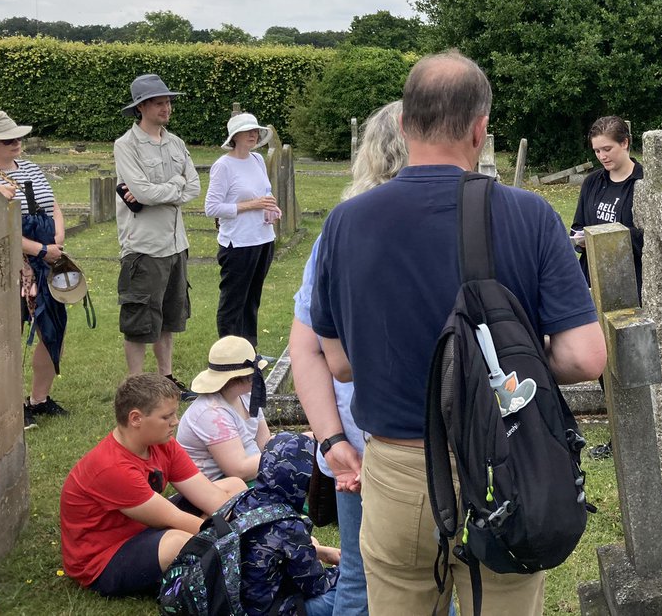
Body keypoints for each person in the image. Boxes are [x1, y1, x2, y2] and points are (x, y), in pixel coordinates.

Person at [311, 51, 606, 615]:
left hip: (398, 471)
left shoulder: (347, 222)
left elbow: (340, 363)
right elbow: (585, 356)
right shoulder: (530, 215)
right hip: (507, 465)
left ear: (403, 123)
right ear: (480, 128)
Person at [290, 99, 406, 616]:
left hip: (356, 443)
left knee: (365, 580)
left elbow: (307, 346)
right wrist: (336, 444)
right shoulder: (340, 234)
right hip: (390, 447)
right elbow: (309, 344)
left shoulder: (338, 231)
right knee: (427, 576)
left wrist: (333, 440)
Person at [59, 373, 247, 598]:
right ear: (136, 418)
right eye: (166, 416)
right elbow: (174, 519)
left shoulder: (162, 443)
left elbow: (209, 495)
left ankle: (222, 556)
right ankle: (235, 567)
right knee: (176, 541)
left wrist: (235, 525)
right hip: (104, 560)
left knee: (233, 486)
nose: (175, 421)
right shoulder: (112, 467)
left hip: (144, 529)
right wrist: (237, 540)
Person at [0, 109, 71, 429]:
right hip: (7, 270)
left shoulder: (30, 167)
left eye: (17, 136)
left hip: (47, 262)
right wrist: (41, 249)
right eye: (8, 138)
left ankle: (39, 400)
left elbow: (53, 206)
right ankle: (10, 404)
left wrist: (56, 239)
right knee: (7, 338)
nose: (17, 142)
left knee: (51, 332)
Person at [114, 73, 201, 400]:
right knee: (139, 317)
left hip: (176, 244)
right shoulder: (126, 145)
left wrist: (166, 190)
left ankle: (166, 378)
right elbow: (141, 192)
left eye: (168, 101)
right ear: (141, 107)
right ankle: (135, 386)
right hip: (144, 247)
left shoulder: (176, 142)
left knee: (169, 315)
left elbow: (193, 186)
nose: (167, 107)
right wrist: (174, 187)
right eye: (159, 102)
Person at [231, 432, 340, 616]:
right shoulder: (287, 525)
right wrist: (343, 572)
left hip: (241, 604)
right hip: (272, 610)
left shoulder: (244, 501)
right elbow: (316, 585)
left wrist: (321, 552)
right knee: (349, 591)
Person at [204, 112, 280, 347]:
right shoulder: (223, 166)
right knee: (233, 303)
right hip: (238, 244)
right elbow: (211, 208)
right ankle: (227, 357)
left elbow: (264, 192)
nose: (253, 134)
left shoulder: (257, 160)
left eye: (255, 130)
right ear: (234, 136)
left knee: (252, 300)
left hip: (264, 239)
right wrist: (252, 205)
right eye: (248, 131)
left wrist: (271, 206)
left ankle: (249, 353)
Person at [176, 336, 272, 482]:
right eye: (254, 375)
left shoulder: (246, 396)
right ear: (238, 378)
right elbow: (238, 470)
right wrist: (281, 454)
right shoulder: (211, 412)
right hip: (220, 487)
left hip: (252, 472)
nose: (258, 378)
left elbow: (264, 442)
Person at [570, 115, 644, 298]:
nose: (602, 156)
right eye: (597, 151)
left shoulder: (644, 183)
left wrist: (607, 239)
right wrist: (579, 239)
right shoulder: (591, 182)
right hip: (591, 278)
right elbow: (578, 226)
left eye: (607, 149)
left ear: (625, 143)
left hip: (630, 280)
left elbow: (647, 238)